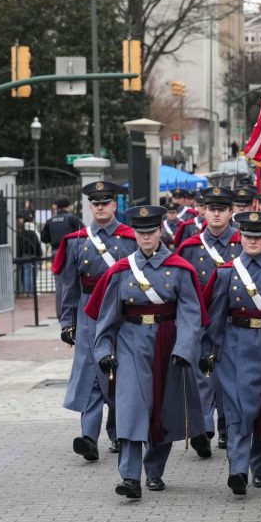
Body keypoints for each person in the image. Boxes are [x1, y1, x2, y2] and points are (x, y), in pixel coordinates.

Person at [85, 205, 209, 498]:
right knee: (131, 408)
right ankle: (130, 477)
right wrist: (104, 350)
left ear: (160, 231)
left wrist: (184, 348)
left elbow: (191, 314)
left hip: (167, 342)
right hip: (131, 342)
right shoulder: (121, 270)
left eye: (151, 232)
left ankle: (154, 470)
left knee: (164, 407)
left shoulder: (180, 269)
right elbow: (107, 317)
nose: (146, 238)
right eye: (140, 233)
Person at [203, 211, 261, 494]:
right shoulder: (227, 272)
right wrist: (208, 350)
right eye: (247, 236)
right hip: (235, 345)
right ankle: (238, 470)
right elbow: (215, 316)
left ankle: (260, 466)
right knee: (238, 409)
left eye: (258, 237)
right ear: (240, 238)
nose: (253, 241)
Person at [52, 181, 138, 461]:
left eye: (105, 203)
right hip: (88, 312)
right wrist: (67, 322)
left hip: (122, 312)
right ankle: (89, 437)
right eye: (96, 204)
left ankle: (118, 432)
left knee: (119, 372)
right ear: (89, 207)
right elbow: (68, 286)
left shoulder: (131, 238)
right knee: (91, 372)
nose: (100, 208)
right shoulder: (77, 241)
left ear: (114, 205)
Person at [177, 186, 242, 451]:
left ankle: (226, 427)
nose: (216, 214)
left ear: (231, 212)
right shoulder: (190, 247)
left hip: (232, 320)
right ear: (203, 211)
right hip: (200, 320)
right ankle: (203, 428)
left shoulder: (242, 243)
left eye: (221, 210)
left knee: (228, 375)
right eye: (211, 209)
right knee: (202, 374)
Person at [16, 213, 43, 294]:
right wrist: (39, 255)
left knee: (26, 273)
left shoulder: (22, 233)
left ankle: (27, 291)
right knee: (33, 274)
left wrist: (19, 256)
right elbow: (38, 245)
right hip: (33, 255)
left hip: (25, 255)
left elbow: (20, 246)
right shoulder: (34, 234)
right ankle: (32, 291)